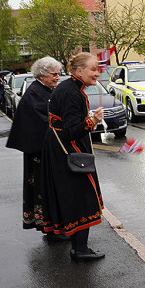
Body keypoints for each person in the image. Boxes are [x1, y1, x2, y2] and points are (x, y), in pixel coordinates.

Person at [40, 53, 105, 262]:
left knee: (76, 197)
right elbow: (69, 131)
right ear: (79, 71)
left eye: (97, 69)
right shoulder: (71, 93)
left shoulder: (72, 88)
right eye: (93, 69)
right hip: (67, 151)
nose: (97, 73)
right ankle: (79, 250)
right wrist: (92, 121)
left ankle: (80, 247)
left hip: (64, 149)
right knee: (80, 197)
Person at [6, 56, 65, 240]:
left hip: (44, 152)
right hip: (40, 154)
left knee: (49, 190)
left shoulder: (44, 90)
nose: (57, 77)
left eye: (58, 74)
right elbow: (44, 123)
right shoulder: (35, 93)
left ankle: (53, 227)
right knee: (43, 190)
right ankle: (51, 230)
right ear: (42, 74)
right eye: (54, 74)